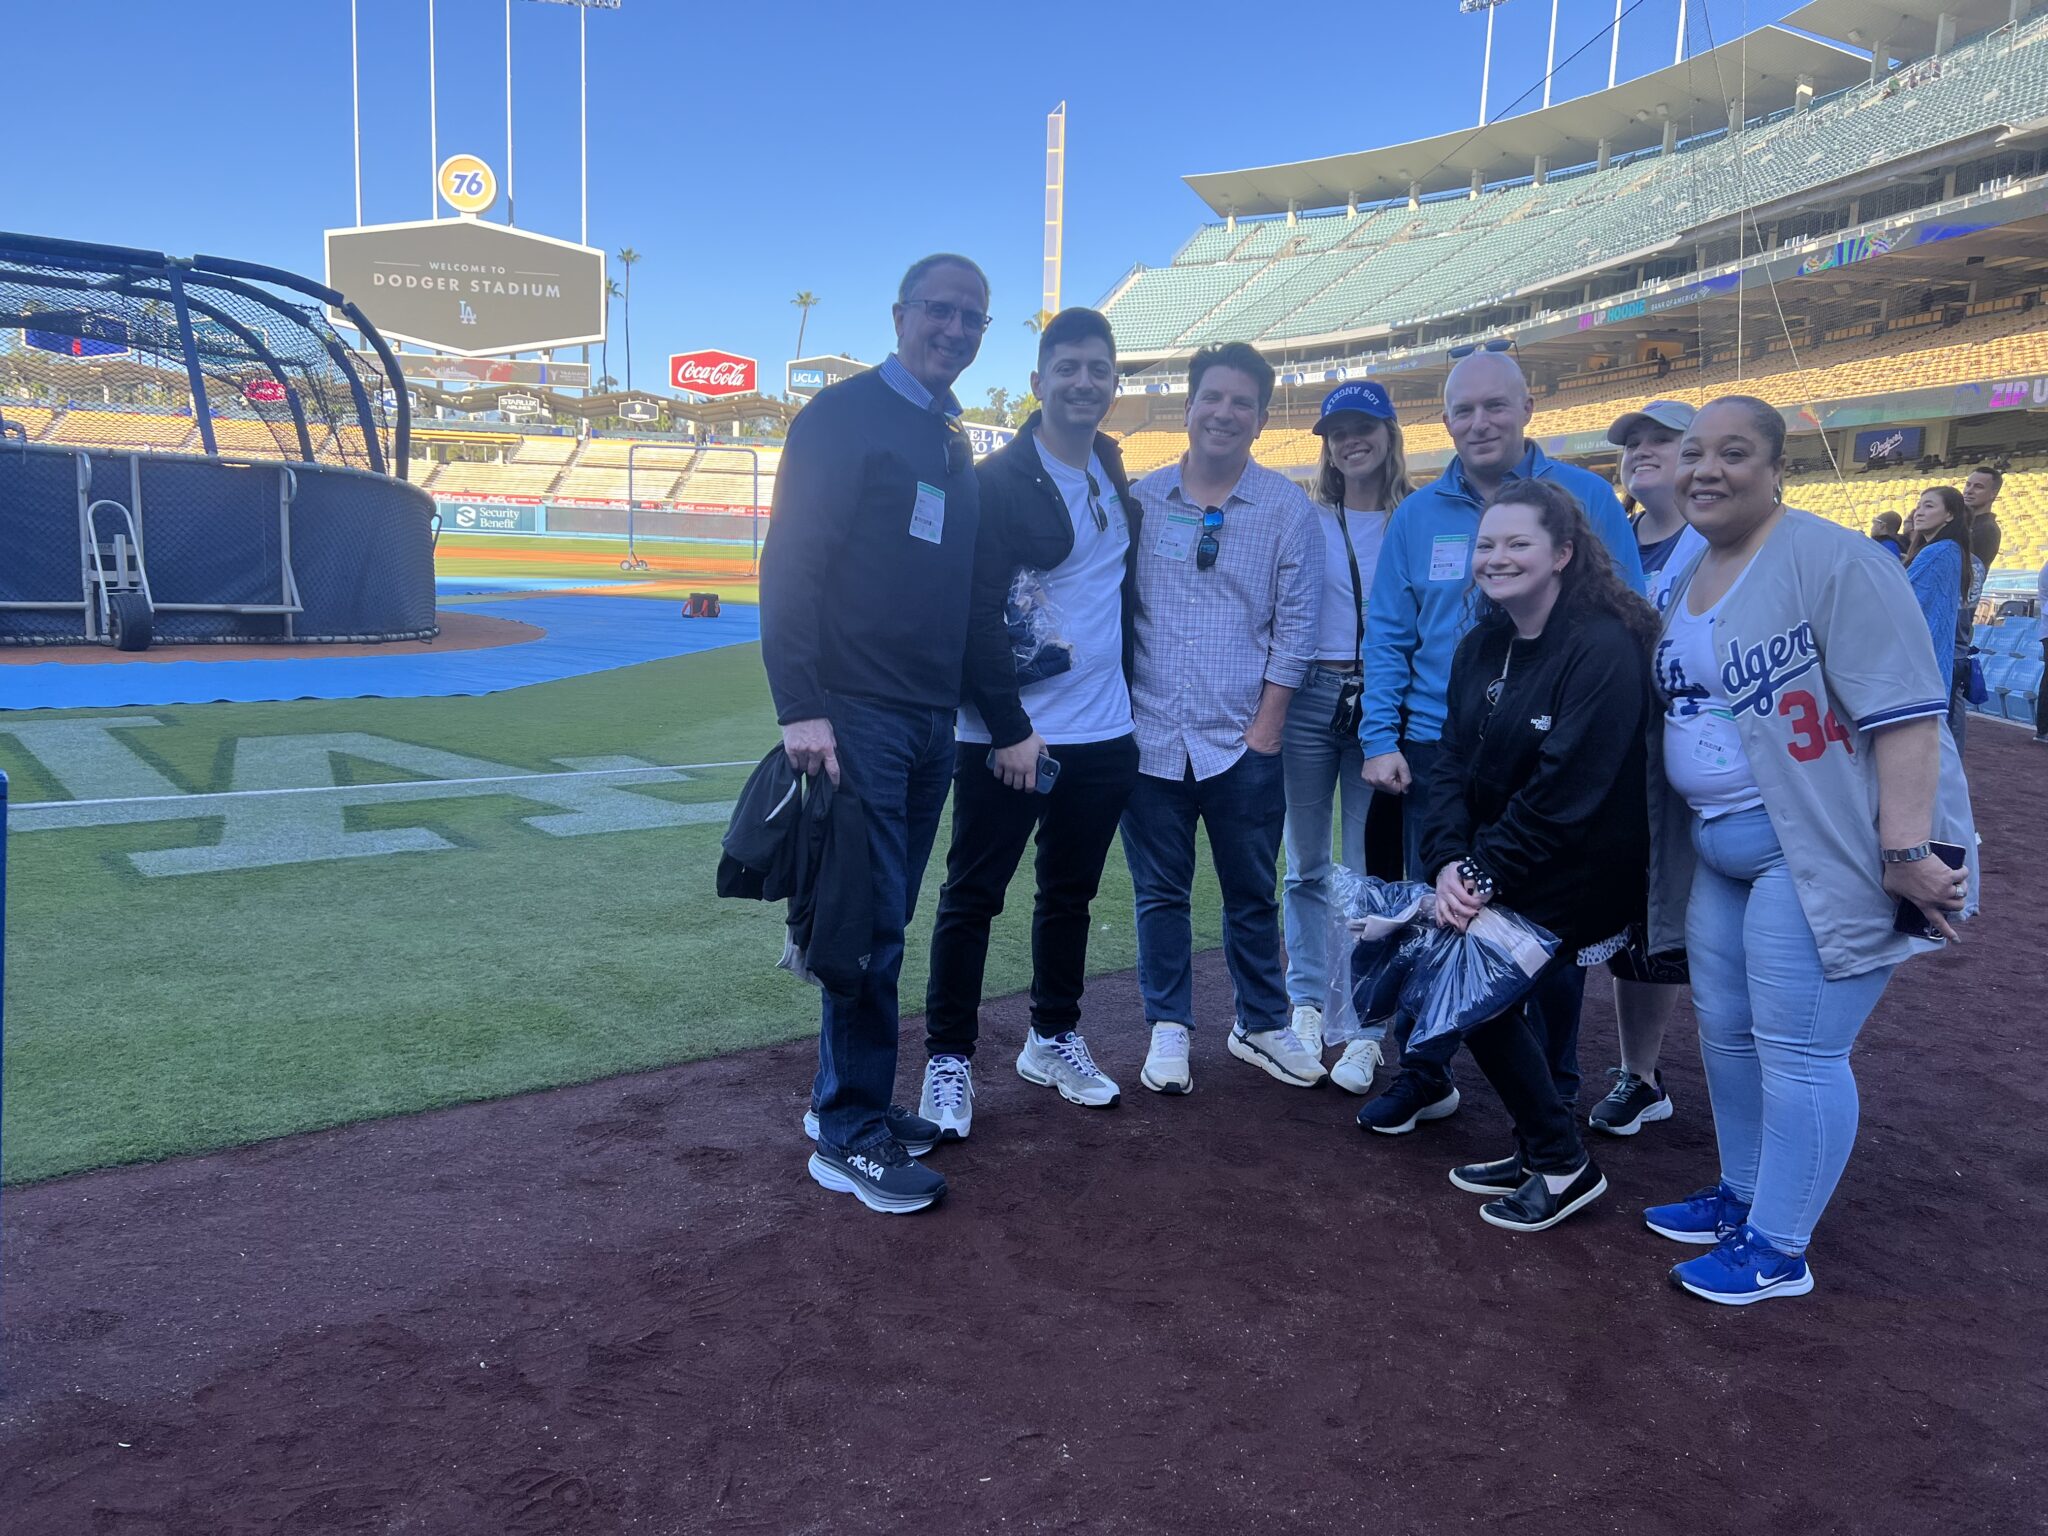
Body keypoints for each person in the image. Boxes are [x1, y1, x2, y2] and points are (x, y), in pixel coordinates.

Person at [1642, 395, 1977, 1304]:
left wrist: (1906, 849)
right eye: (1695, 453)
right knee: (1729, 1038)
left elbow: (1907, 712)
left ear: (1775, 465)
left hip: (1820, 845)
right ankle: (1743, 1194)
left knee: (1799, 1049)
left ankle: (1779, 1246)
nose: (1707, 469)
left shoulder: (1838, 558)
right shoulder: (1687, 569)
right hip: (1719, 844)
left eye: (1735, 452)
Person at [1354, 349, 1646, 1134]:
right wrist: (1379, 734)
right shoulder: (1416, 514)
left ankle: (1550, 1099)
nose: (1478, 423)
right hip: (1439, 745)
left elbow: (1625, 617)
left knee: (1539, 936)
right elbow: (1388, 632)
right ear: (1444, 420)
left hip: (1550, 751)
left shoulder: (1584, 497)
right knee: (1441, 920)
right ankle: (1425, 1072)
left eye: (1494, 407)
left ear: (1526, 408)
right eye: (1462, 410)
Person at [759, 253, 991, 1215]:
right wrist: (800, 705)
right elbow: (791, 564)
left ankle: (846, 1105)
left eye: (973, 317)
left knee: (882, 914)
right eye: (939, 310)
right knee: (865, 923)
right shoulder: (843, 418)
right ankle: (848, 1133)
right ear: (901, 315)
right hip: (856, 713)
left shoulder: (947, 437)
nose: (954, 328)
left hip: (929, 717)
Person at [919, 308, 1141, 1138]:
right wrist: (1008, 727)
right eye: (1069, 368)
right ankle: (948, 1059)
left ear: (1113, 383)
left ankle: (1052, 1037)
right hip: (1009, 738)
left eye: (1099, 370)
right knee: (974, 897)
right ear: (1041, 378)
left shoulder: (1110, 471)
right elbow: (975, 613)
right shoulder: (1000, 478)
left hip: (1103, 733)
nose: (1085, 383)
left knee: (1071, 896)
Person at [1414, 479, 1658, 1232]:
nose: (1497, 557)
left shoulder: (1603, 643)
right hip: (1501, 865)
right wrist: (1448, 861)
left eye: (1518, 543)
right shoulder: (1482, 642)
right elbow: (1449, 763)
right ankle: (1536, 1146)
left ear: (1562, 553)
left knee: (1470, 988)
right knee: (1475, 988)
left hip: (1581, 869)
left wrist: (1479, 877)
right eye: (1486, 545)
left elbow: (1568, 790)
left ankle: (1561, 1164)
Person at [1122, 340, 1324, 1096]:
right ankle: (1169, 1027)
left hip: (1242, 737)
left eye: (1243, 402)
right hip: (1148, 738)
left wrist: (1266, 727)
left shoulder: (1284, 507)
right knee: (1160, 893)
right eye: (1214, 397)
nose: (1225, 412)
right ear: (1188, 406)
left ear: (1261, 418)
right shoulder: (1141, 501)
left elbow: (1296, 625)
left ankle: (1262, 1023)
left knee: (1251, 891)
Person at [1282, 380, 1412, 1094]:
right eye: (1337, 431)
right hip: (1309, 693)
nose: (1349, 441)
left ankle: (1365, 1027)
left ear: (1390, 433)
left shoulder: (1414, 517)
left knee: (1373, 874)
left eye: (1364, 426)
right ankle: (1305, 1003)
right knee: (1303, 862)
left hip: (1381, 702)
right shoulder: (1307, 518)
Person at [1587, 400, 1708, 1138]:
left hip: (1704, 758)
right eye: (1633, 444)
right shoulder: (1616, 538)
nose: (1641, 451)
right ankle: (1641, 1074)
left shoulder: (1719, 541)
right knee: (1635, 921)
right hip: (1625, 758)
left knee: (1711, 924)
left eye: (1662, 439)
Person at [1947, 466, 2002, 749]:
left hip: (1960, 612)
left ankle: (1952, 756)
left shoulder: (1987, 530)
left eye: (1978, 486)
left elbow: (1964, 570)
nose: (1969, 489)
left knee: (1952, 681)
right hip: (1951, 611)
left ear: (1993, 494)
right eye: (1968, 484)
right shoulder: (1965, 525)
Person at [1902, 486, 1972, 696]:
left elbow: (1904, 602)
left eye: (1929, 506)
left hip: (1919, 659)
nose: (1919, 512)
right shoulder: (1948, 549)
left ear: (1949, 515)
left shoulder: (1938, 551)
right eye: (1918, 506)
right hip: (1928, 658)